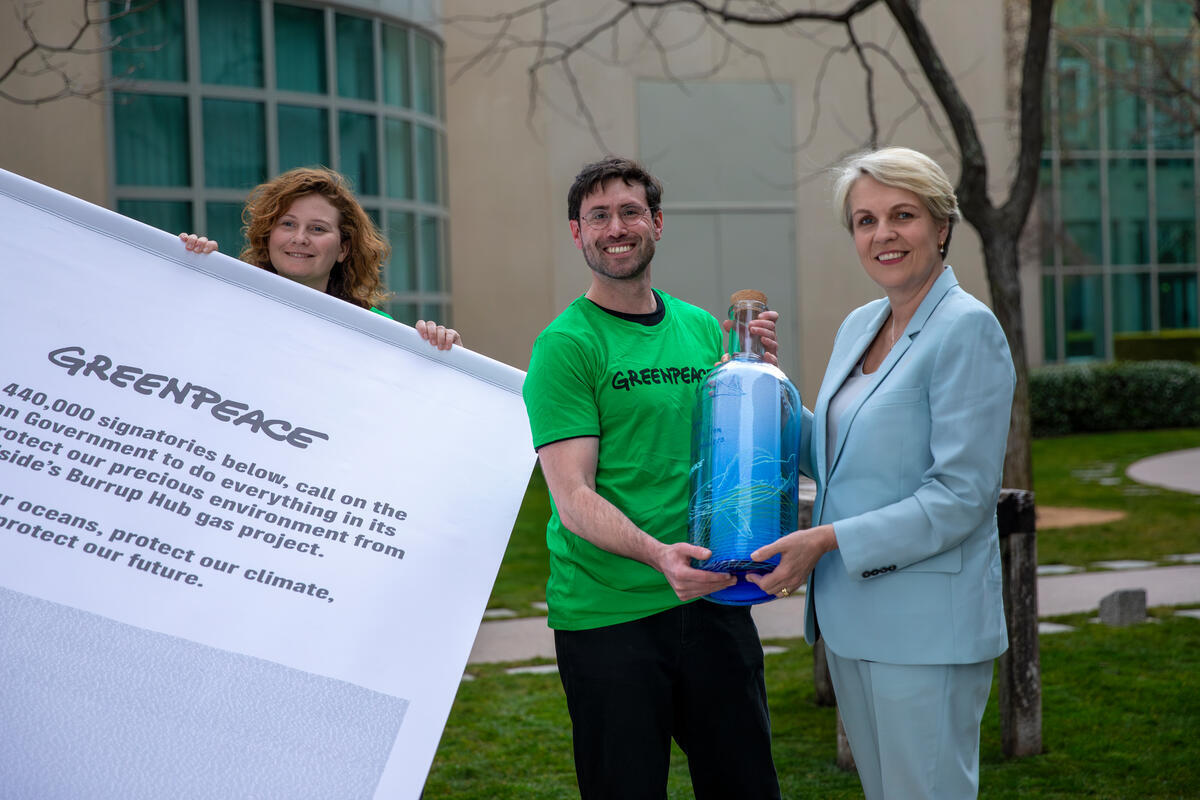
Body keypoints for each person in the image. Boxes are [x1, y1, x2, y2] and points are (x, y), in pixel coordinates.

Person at [748, 147, 1015, 799]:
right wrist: (764, 383)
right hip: (852, 618)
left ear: (942, 225)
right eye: (865, 221)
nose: (883, 234)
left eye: (903, 215)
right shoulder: (860, 325)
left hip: (927, 627)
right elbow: (835, 456)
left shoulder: (967, 330)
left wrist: (826, 540)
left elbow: (960, 498)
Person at [522, 156, 782, 799]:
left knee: (747, 789)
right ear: (577, 233)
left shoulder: (699, 328)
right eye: (599, 216)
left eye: (630, 211)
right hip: (609, 614)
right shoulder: (566, 345)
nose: (616, 227)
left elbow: (736, 454)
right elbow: (574, 496)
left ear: (657, 224)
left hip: (713, 597)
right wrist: (658, 554)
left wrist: (756, 376)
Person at [179, 167, 459, 350]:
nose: (300, 238)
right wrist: (189, 270)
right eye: (288, 224)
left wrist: (448, 357)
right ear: (268, 235)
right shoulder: (228, 298)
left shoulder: (376, 328)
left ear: (343, 249)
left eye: (317, 229)